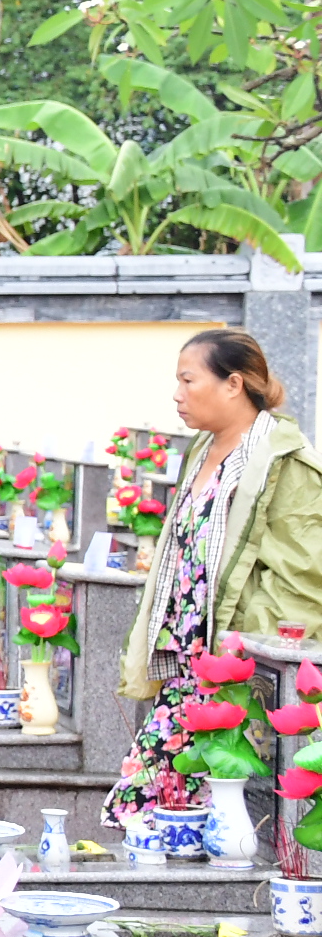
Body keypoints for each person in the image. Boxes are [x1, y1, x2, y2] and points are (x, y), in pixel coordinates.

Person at [110, 326, 322, 823]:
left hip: (230, 669)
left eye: (189, 380)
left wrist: (241, 652)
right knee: (159, 796)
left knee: (166, 800)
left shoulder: (285, 465)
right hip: (185, 661)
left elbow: (304, 578)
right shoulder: (201, 450)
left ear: (235, 384)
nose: (177, 395)